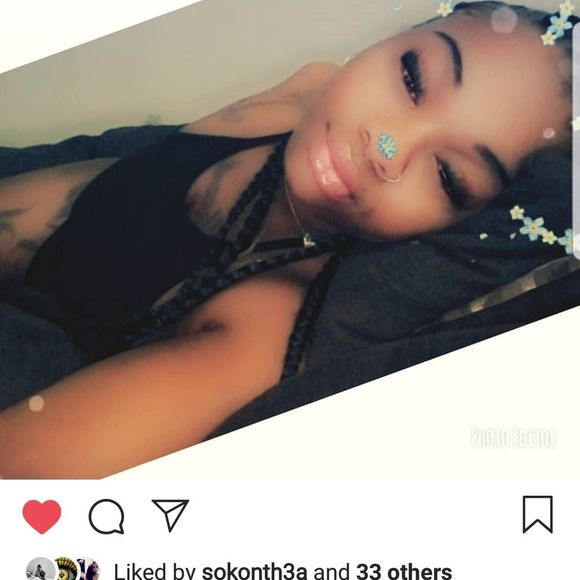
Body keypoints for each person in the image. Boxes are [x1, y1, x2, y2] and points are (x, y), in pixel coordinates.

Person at [0, 1, 575, 478]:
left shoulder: (260, 330)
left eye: (448, 176)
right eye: (412, 77)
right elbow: (97, 179)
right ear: (392, 39)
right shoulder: (307, 87)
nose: (388, 145)